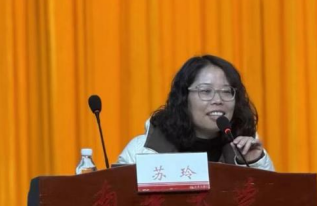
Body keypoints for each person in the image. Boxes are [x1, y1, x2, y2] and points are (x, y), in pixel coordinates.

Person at [116, 55, 274, 170]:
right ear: (184, 98)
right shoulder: (143, 151)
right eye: (206, 91)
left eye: (226, 91)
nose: (218, 100)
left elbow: (270, 203)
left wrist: (253, 163)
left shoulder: (248, 148)